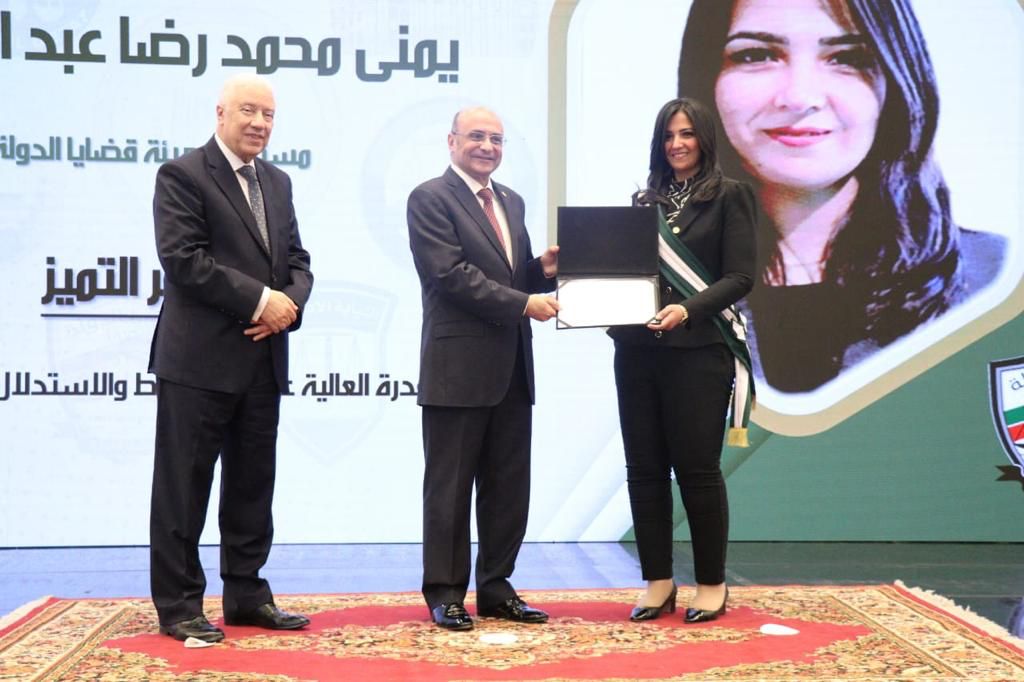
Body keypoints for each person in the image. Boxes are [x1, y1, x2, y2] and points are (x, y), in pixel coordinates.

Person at [677, 0, 1005, 393]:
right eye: (756, 55)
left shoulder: (997, 280)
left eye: (847, 58)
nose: (800, 97)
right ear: (706, 77)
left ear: (898, 81)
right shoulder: (657, 283)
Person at [148, 74, 314, 643]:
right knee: (183, 489)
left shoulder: (278, 181)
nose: (259, 123)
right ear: (220, 113)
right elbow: (184, 260)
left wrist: (289, 304)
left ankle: (246, 595)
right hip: (198, 363)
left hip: (262, 359)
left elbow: (298, 260)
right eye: (248, 111)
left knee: (252, 487)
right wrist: (263, 300)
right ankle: (179, 605)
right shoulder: (183, 174)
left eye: (268, 115)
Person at [407, 106, 560, 631]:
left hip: (513, 368)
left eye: (496, 139)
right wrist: (524, 303)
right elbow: (451, 276)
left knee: (508, 488)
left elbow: (513, 278)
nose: (488, 147)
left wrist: (542, 271)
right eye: (477, 136)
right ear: (451, 141)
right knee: (449, 489)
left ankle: (496, 588)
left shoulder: (511, 201)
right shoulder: (430, 198)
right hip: (457, 368)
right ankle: (445, 593)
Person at [609, 97, 756, 623]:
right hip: (637, 353)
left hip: (699, 352)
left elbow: (740, 277)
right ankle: (658, 582)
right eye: (669, 135)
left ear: (704, 139)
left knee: (696, 470)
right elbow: (624, 274)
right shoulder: (642, 201)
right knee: (644, 470)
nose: (677, 144)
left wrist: (687, 310)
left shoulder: (730, 196)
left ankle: (711, 584)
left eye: (687, 133)